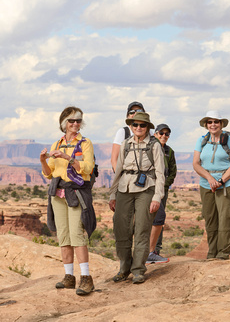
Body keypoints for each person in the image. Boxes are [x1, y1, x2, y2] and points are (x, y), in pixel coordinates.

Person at [40, 106, 96, 296]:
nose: (75, 124)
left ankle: (86, 278)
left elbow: (87, 168)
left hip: (76, 192)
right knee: (63, 235)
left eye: (78, 120)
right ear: (63, 123)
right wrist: (42, 160)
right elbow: (49, 174)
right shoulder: (57, 143)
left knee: (77, 235)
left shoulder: (85, 143)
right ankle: (69, 277)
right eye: (71, 121)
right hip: (58, 194)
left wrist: (68, 157)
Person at [109, 112, 165, 284]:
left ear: (148, 127)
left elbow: (160, 173)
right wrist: (113, 194)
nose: (138, 128)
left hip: (146, 189)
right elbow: (118, 170)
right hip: (124, 188)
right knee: (121, 229)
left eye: (142, 125)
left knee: (142, 229)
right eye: (135, 125)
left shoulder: (154, 145)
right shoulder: (126, 144)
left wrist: (157, 197)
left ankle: (139, 270)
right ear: (131, 126)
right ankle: (124, 269)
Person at [193, 111, 230, 260]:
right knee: (210, 219)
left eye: (216, 122)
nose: (213, 124)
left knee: (225, 219)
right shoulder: (201, 140)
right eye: (210, 122)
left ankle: (223, 254)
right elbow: (195, 163)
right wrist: (209, 178)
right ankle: (211, 252)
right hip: (206, 185)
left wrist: (220, 181)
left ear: (221, 124)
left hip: (226, 185)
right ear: (206, 124)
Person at [146, 123, 177, 264]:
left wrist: (163, 185)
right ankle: (145, 250)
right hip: (148, 188)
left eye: (167, 134)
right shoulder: (150, 147)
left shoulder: (169, 151)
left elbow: (172, 171)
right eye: (161, 133)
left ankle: (155, 250)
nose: (164, 136)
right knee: (147, 218)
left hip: (162, 190)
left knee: (159, 218)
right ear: (155, 134)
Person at [111, 102, 145, 172]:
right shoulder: (123, 132)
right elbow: (114, 159)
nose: (135, 114)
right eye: (131, 112)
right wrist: (119, 177)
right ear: (128, 116)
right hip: (127, 177)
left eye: (139, 111)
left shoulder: (149, 133)